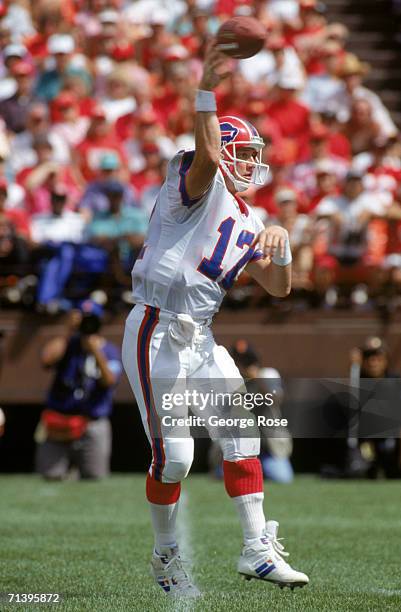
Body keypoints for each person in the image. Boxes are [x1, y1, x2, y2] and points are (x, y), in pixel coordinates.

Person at [122, 43, 309, 597]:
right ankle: (165, 553)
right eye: (243, 152)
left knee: (240, 431)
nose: (252, 162)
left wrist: (283, 249)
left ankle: (257, 548)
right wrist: (205, 88)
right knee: (175, 459)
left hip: (200, 338)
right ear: (223, 150)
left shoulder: (251, 216)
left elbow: (280, 288)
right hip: (157, 328)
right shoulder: (195, 185)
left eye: (255, 153)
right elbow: (205, 153)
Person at [36, 300, 122, 480]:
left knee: (94, 476)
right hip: (60, 420)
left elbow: (109, 381)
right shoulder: (68, 344)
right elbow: (46, 360)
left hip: (93, 421)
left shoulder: (109, 350)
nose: (87, 324)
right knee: (51, 475)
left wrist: (95, 350)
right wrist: (68, 330)